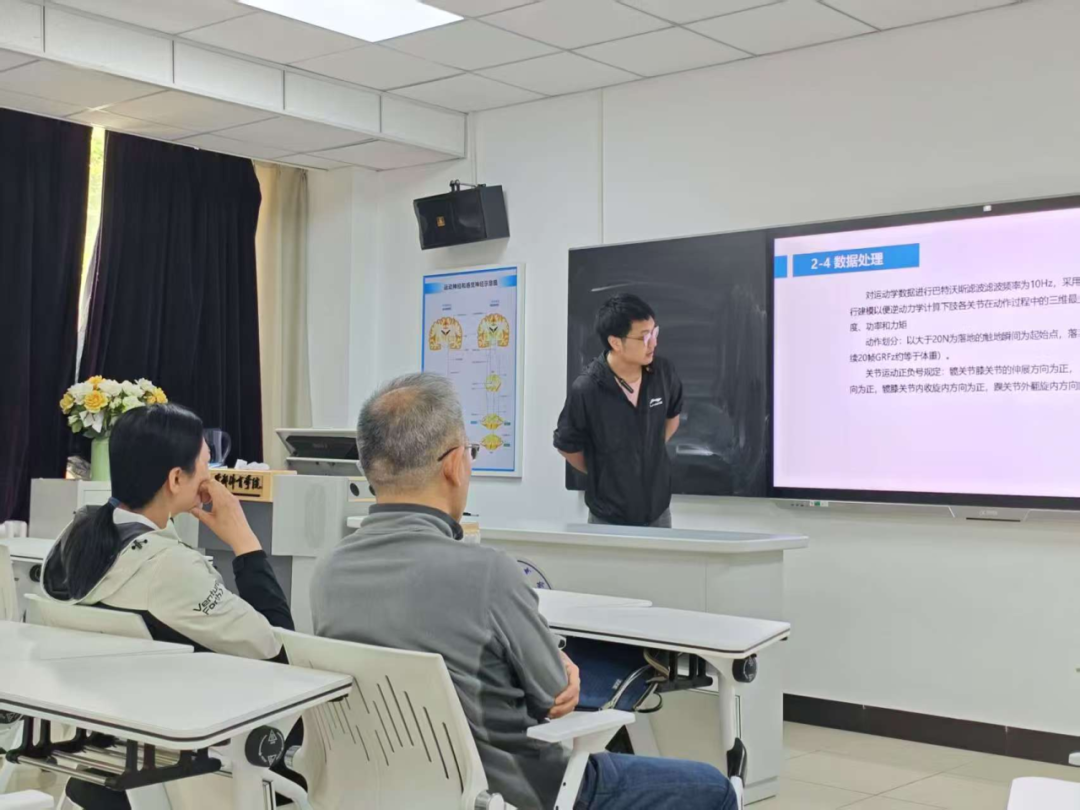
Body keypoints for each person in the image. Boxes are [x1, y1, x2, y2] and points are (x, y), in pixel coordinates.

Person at [310, 373, 735, 810]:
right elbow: (554, 697)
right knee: (715, 788)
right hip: (513, 794)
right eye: (470, 451)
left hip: (389, 794)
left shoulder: (328, 574)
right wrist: (559, 666)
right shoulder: (487, 573)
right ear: (454, 464)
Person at [41, 403, 296, 810]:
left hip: (99, 767)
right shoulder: (169, 568)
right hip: (183, 775)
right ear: (177, 479)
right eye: (206, 464)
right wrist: (244, 540)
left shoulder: (75, 537)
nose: (211, 476)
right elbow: (279, 650)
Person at [554, 293, 684, 528]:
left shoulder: (664, 373)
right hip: (608, 516)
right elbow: (567, 445)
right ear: (615, 342)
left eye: (654, 333)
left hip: (658, 511)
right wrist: (606, 470)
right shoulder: (587, 388)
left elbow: (672, 417)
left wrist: (648, 450)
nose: (653, 343)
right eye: (644, 337)